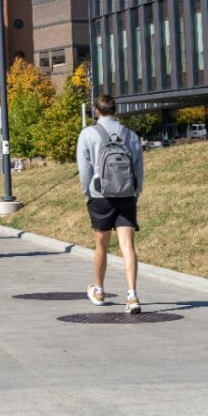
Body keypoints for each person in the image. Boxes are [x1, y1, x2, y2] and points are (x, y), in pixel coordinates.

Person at [76, 93, 145, 314]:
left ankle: (99, 291)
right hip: (126, 195)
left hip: (100, 197)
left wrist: (88, 193)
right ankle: (132, 295)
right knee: (128, 246)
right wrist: (135, 192)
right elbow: (138, 167)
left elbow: (84, 170)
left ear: (96, 111)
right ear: (115, 110)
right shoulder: (130, 135)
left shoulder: (88, 134)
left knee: (101, 246)